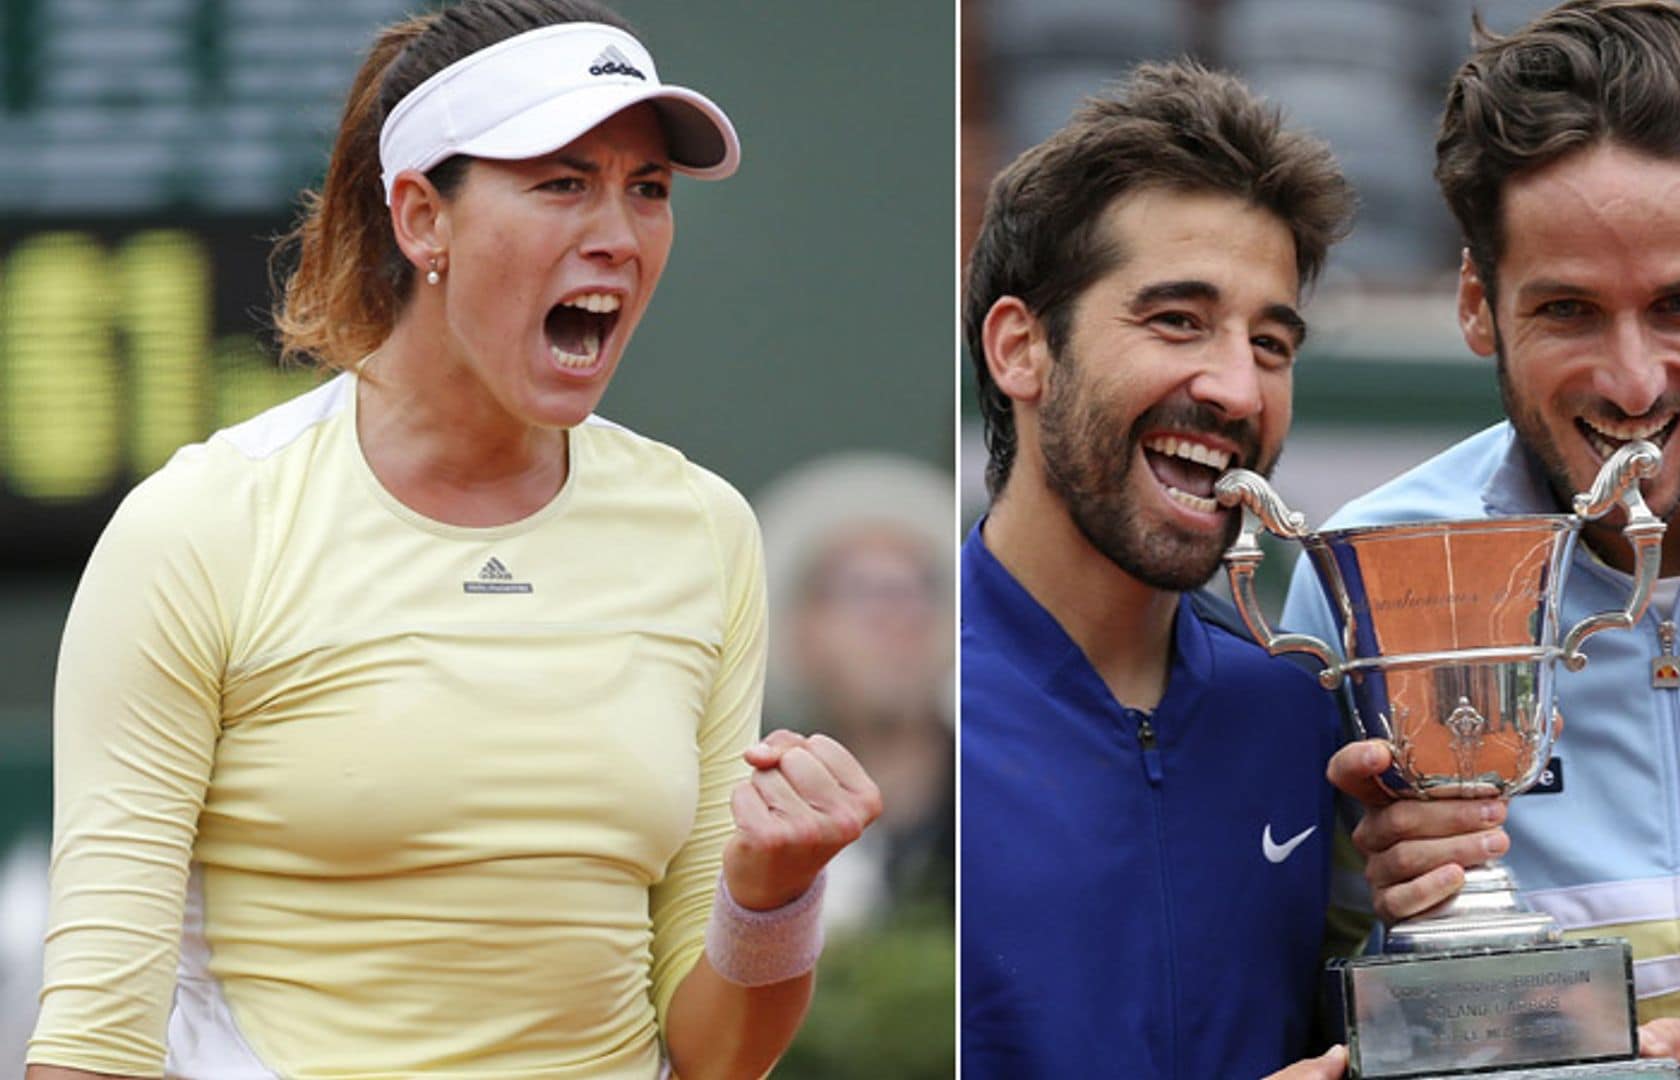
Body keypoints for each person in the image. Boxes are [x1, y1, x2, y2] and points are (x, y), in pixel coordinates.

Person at [26, 2, 881, 1076]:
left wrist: (775, 895)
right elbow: (98, 1036)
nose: (617, 233)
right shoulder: (199, 527)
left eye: (648, 189)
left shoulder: (704, 530)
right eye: (563, 181)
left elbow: (716, 1055)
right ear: (422, 218)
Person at [1280, 3, 1680, 1078]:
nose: (1633, 381)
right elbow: (1321, 997)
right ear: (1479, 306)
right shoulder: (1367, 575)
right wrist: (1389, 913)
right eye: (1570, 310)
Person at [960, 60, 1357, 1079]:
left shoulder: (1301, 722)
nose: (1235, 387)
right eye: (1177, 320)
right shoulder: (908, 716)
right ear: (1021, 350)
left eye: (1271, 343)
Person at [757, 452, 954, 933]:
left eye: (917, 588)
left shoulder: (1001, 791)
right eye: (859, 590)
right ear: (798, 631)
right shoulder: (752, 812)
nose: (897, 617)